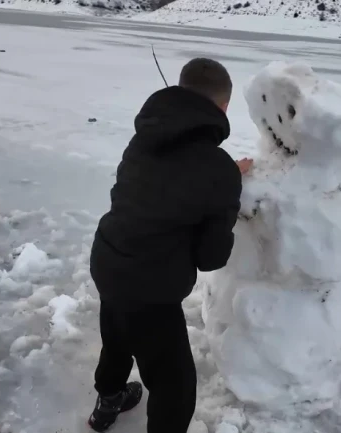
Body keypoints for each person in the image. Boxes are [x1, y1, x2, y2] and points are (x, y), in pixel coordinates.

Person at [87, 57, 253, 433]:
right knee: (175, 385)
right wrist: (228, 181)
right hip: (151, 289)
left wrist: (225, 173)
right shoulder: (217, 170)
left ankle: (107, 402)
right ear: (223, 107)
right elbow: (211, 257)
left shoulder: (144, 137)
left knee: (116, 335)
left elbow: (168, 180)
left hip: (108, 259)